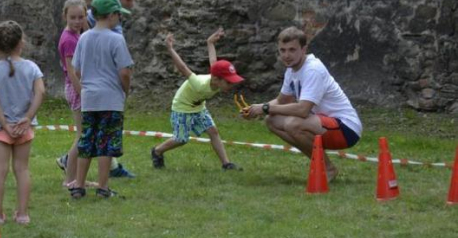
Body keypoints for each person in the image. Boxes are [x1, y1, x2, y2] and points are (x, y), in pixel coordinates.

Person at [243, 27, 362, 181]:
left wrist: (265, 108)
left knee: (293, 123)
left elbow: (302, 110)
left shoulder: (312, 69)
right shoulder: (292, 69)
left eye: (292, 50)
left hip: (347, 129)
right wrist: (255, 109)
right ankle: (321, 164)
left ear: (304, 49)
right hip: (323, 124)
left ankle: (327, 168)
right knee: (271, 120)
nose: (286, 55)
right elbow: (281, 101)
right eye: (282, 50)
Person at [73, 0, 139, 179]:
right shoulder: (116, 39)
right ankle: (102, 187)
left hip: (89, 98)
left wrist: (85, 86)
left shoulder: (83, 37)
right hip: (111, 98)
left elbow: (76, 69)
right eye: (119, 13)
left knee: (86, 141)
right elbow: (125, 72)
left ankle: (79, 185)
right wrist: (125, 90)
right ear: (111, 15)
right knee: (106, 144)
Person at [150, 29, 243, 171]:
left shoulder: (216, 78)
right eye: (229, 82)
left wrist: (210, 42)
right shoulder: (200, 84)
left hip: (198, 107)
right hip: (182, 107)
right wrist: (170, 49)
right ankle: (157, 151)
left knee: (213, 131)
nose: (231, 85)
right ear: (217, 79)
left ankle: (226, 164)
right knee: (181, 139)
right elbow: (183, 68)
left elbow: (213, 61)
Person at [0, 21, 45, 225]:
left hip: (0, 129)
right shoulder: (32, 68)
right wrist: (28, 117)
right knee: (22, 169)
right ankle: (22, 214)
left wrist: (4, 123)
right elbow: (40, 92)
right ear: (21, 43)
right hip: (23, 128)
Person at [56, 0, 88, 188]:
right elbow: (71, 70)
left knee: (82, 135)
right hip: (76, 89)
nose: (77, 21)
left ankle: (74, 177)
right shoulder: (69, 39)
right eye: (73, 17)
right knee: (81, 135)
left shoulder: (78, 34)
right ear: (65, 16)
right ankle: (69, 179)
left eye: (81, 17)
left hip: (79, 87)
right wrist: (81, 92)